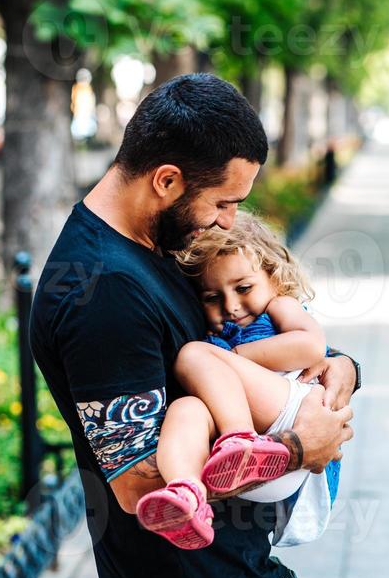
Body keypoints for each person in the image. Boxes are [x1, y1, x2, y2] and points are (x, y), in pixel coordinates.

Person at [29, 73, 359, 578]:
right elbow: (138, 482)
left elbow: (242, 345)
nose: (226, 220)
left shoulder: (155, 245)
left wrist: (341, 366)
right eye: (223, 202)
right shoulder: (104, 293)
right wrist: (302, 448)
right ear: (169, 179)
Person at [136, 210, 341, 551]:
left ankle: (240, 440)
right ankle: (188, 495)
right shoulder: (219, 331)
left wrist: (233, 359)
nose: (231, 306)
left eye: (244, 287)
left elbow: (311, 345)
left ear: (274, 276)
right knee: (187, 409)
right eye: (212, 297)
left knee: (192, 355)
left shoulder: (279, 304)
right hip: (251, 470)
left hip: (291, 417)